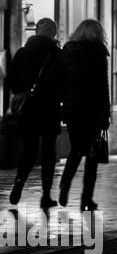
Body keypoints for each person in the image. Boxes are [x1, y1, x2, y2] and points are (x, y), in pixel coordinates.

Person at [7, 19, 64, 210]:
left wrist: (21, 91)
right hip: (49, 108)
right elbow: (65, 81)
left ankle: (19, 184)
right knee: (48, 151)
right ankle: (46, 195)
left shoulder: (23, 52)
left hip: (28, 109)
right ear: (53, 34)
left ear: (37, 31)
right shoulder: (56, 53)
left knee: (29, 151)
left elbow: (11, 80)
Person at [57, 19, 111, 212]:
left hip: (72, 109)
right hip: (93, 109)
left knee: (76, 150)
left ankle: (65, 184)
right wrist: (106, 113)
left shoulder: (68, 51)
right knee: (92, 155)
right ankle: (86, 198)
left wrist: (64, 101)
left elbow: (60, 79)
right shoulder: (98, 53)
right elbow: (103, 86)